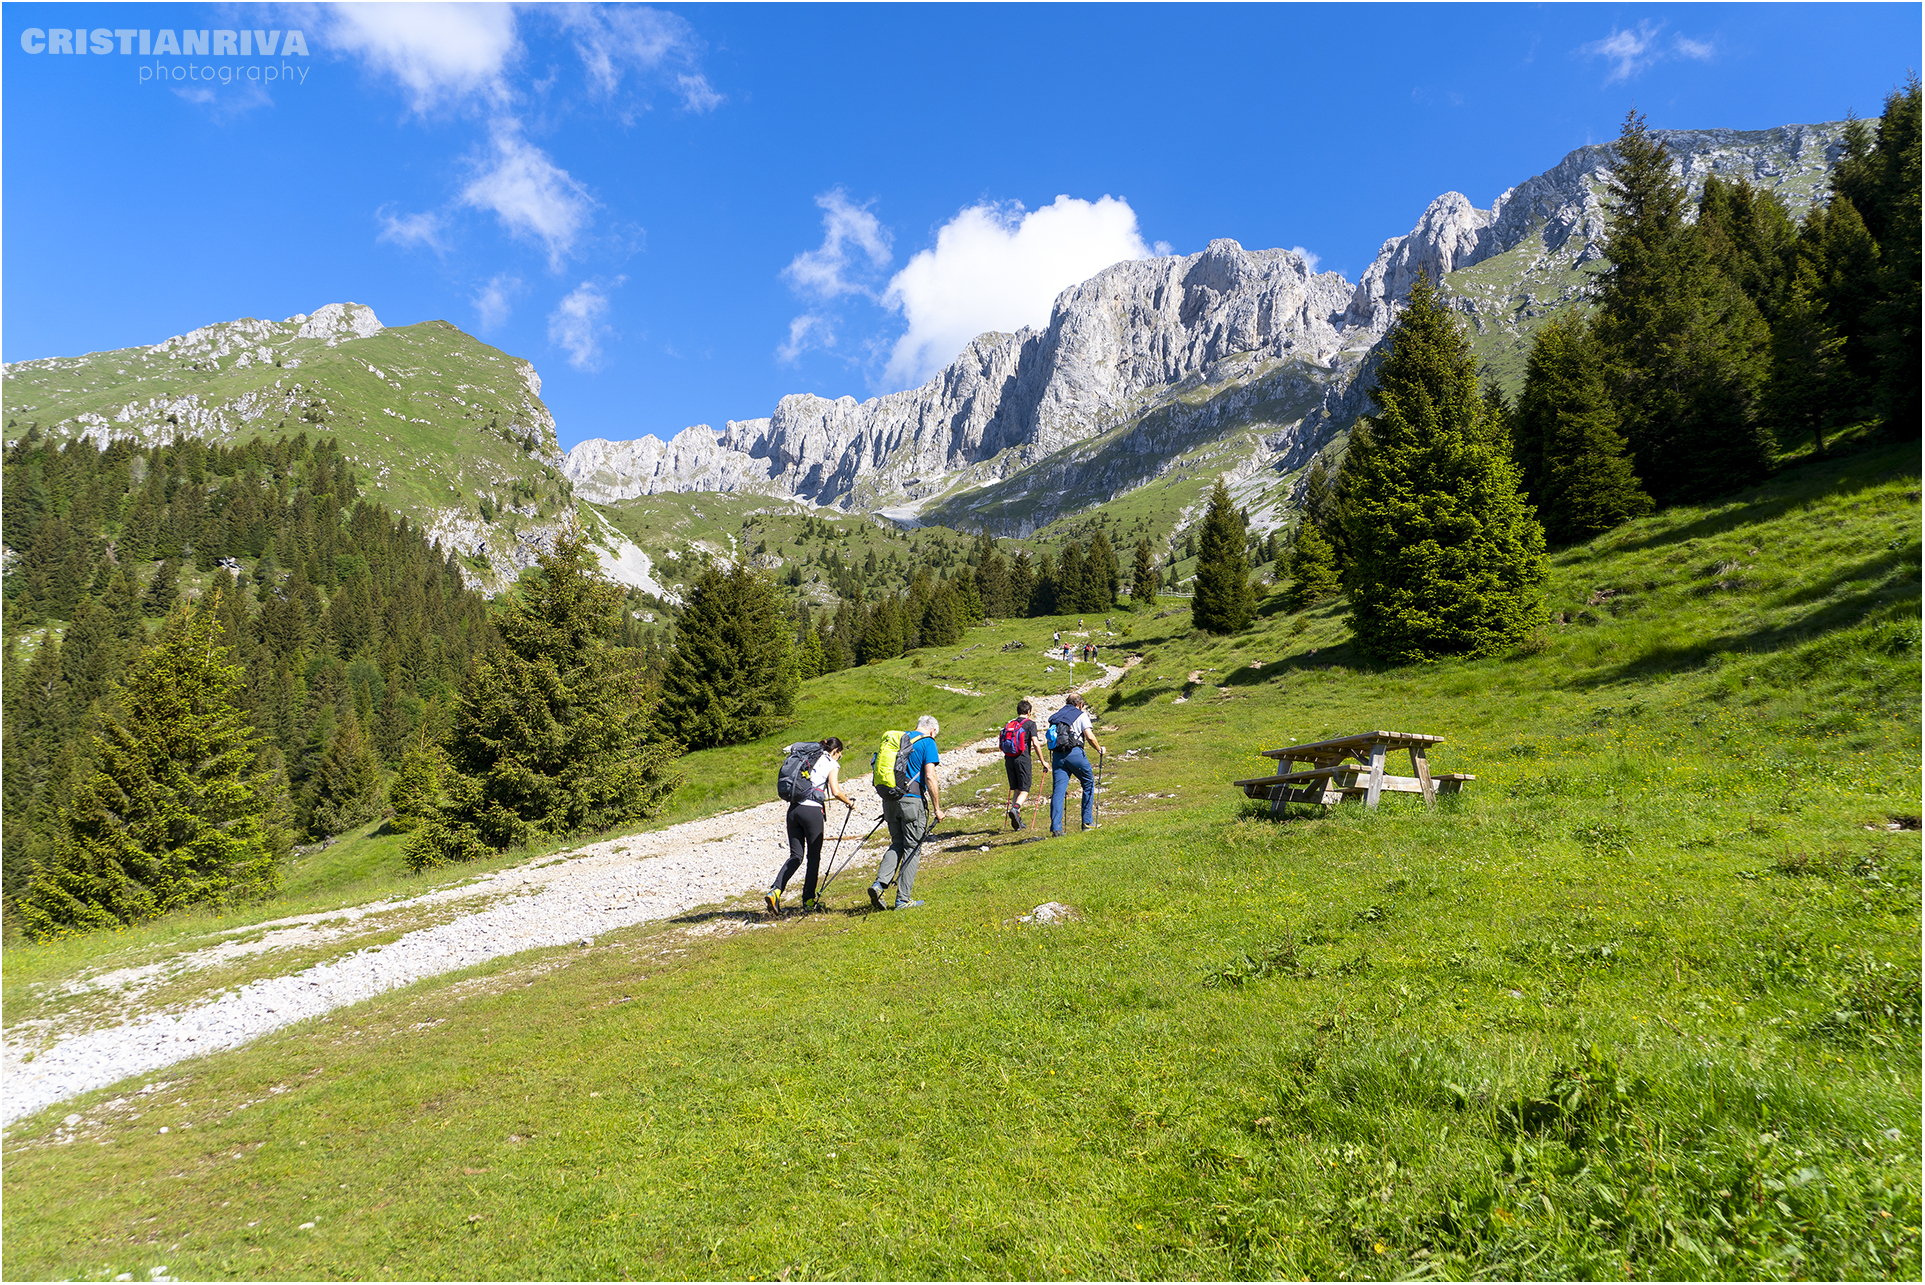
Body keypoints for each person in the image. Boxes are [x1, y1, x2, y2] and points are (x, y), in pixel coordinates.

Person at [766, 738, 852, 914]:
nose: (838, 759)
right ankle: (809, 902)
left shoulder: (809, 757)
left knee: (796, 856)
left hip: (793, 810)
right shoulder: (831, 763)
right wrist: (849, 802)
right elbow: (835, 791)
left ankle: (775, 890)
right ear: (835, 751)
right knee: (813, 858)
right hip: (811, 812)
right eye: (839, 755)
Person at [869, 715, 943, 911]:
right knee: (913, 847)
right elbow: (929, 775)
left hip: (890, 800)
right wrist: (937, 807)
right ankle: (902, 900)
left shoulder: (900, 740)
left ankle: (879, 885)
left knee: (897, 844)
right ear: (932, 731)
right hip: (912, 801)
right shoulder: (928, 743)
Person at [1047, 693, 1104, 836]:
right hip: (1075, 754)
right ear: (1080, 704)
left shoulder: (1057, 716)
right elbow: (1089, 736)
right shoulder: (1081, 715)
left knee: (1058, 792)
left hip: (1058, 756)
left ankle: (1056, 829)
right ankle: (1087, 822)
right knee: (1088, 783)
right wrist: (1099, 749)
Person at [1001, 699, 1043, 830]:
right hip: (1022, 759)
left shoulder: (1010, 724)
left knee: (1016, 790)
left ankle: (1018, 822)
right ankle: (1015, 809)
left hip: (1009, 759)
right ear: (1029, 712)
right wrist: (1043, 761)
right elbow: (1035, 743)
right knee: (1025, 790)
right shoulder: (1030, 724)